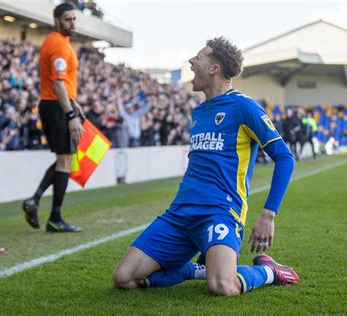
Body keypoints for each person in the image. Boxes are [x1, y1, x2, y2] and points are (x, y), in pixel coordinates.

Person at [112, 37, 299, 296]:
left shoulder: (244, 107)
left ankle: (269, 271)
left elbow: (285, 158)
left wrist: (268, 215)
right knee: (124, 277)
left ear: (214, 69)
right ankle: (199, 268)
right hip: (180, 213)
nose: (190, 61)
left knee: (222, 286)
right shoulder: (199, 112)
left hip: (219, 212)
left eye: (198, 57)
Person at [21, 2, 83, 233]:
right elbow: (57, 84)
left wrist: (75, 105)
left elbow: (62, 84)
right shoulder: (57, 45)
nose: (72, 23)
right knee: (65, 160)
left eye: (74, 19)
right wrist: (70, 114)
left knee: (63, 160)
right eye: (68, 19)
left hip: (56, 104)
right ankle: (54, 217)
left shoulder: (59, 42)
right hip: (57, 107)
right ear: (57, 20)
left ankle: (35, 201)